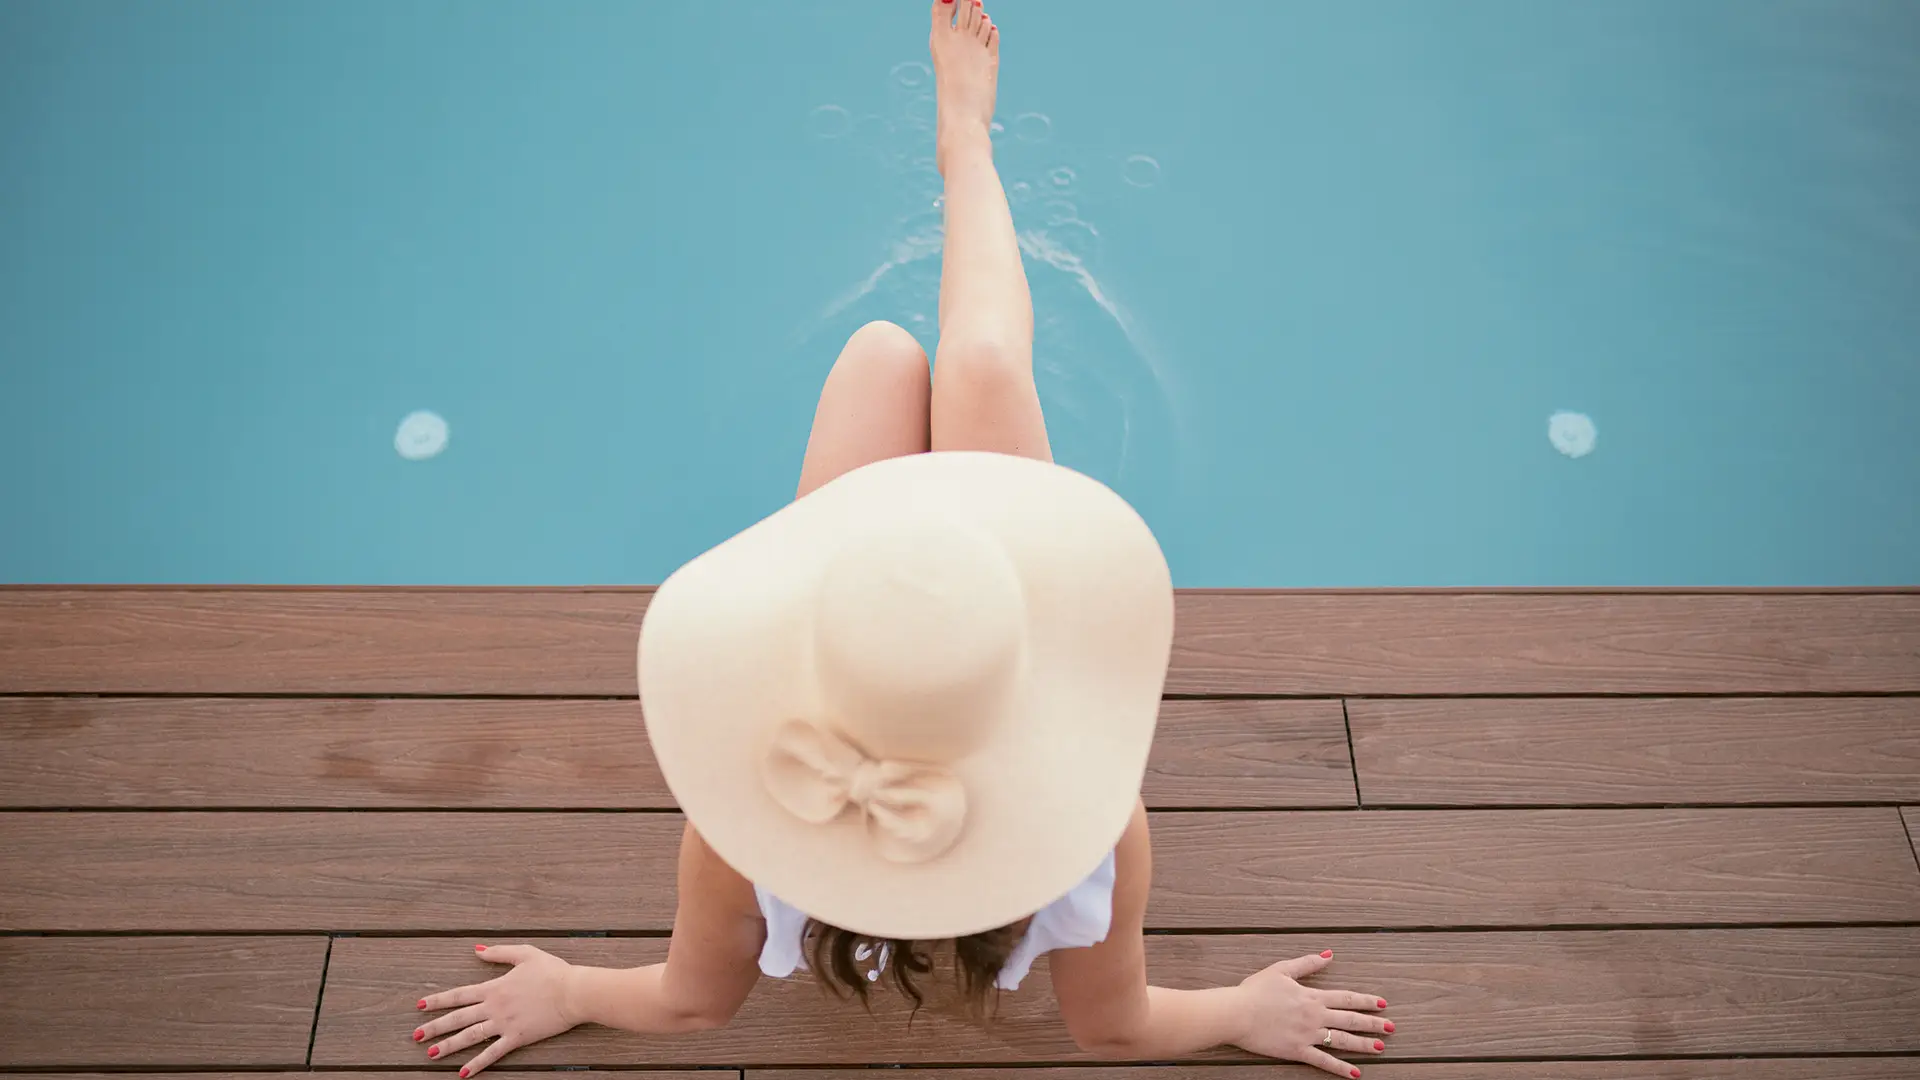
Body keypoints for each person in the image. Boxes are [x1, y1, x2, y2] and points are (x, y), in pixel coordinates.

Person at [411, 3, 1393, 1076]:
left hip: (887, 613)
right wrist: (1241, 1014)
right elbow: (1110, 1024)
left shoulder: (758, 798)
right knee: (972, 366)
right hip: (965, 609)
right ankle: (965, 143)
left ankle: (962, 144)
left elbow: (695, 1002)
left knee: (886, 356)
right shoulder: (1093, 829)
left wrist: (571, 991)